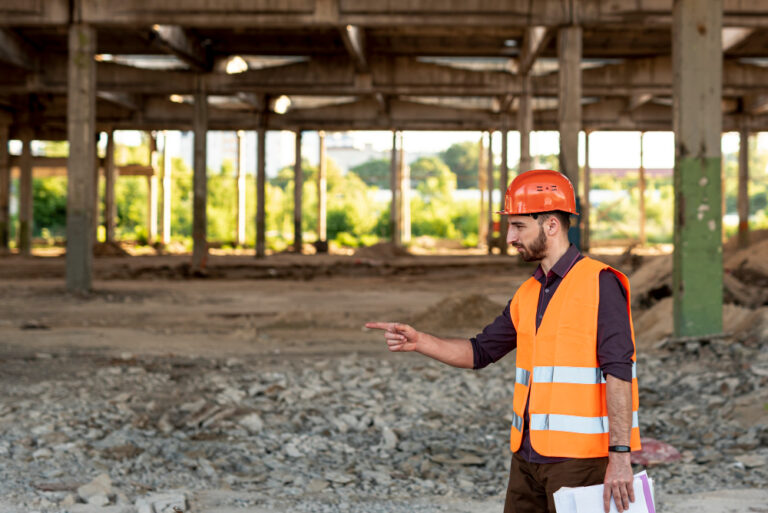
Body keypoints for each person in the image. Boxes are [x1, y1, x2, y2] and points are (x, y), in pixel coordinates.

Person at [367, 169, 640, 513]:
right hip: (527, 458)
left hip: (580, 461)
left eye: (519, 226)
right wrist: (420, 341)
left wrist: (620, 457)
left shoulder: (600, 283)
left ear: (551, 225)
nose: (510, 236)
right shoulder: (529, 292)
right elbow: (480, 351)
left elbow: (619, 373)